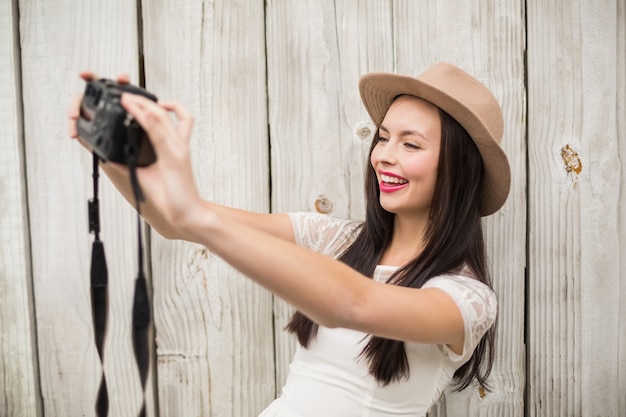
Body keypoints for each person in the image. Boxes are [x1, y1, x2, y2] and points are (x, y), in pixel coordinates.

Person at [68, 62, 510, 417]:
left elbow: (352, 305)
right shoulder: (338, 238)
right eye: (383, 137)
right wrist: (110, 151)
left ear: (458, 168)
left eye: (411, 145)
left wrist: (195, 213)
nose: (384, 156)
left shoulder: (466, 299)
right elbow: (172, 223)